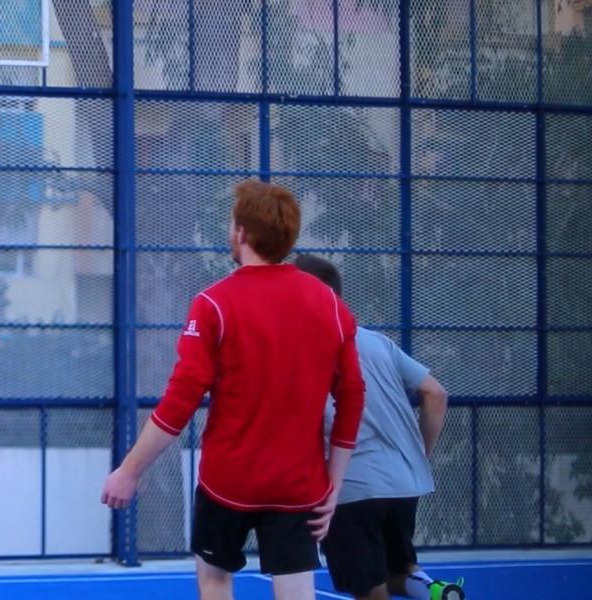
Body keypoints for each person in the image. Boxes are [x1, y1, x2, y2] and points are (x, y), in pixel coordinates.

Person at [101, 180, 366, 600]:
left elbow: (179, 403)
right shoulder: (330, 304)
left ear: (241, 234)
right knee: (297, 589)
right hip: (298, 484)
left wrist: (130, 469)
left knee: (215, 580)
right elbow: (352, 396)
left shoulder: (214, 304)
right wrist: (333, 485)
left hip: (228, 481)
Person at [293, 255, 464, 600]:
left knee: (371, 590)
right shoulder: (377, 342)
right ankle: (433, 590)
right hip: (405, 482)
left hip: (353, 487)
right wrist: (419, 454)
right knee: (399, 572)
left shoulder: (304, 351)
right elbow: (436, 393)